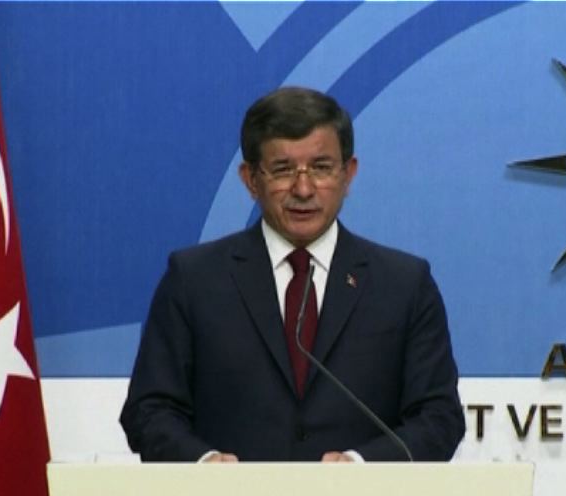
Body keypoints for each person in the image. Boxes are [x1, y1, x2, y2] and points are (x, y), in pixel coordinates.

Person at [120, 86, 465, 462]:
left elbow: (439, 418)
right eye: (283, 170)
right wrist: (205, 462)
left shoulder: (404, 284)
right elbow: (149, 410)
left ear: (348, 174)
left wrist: (361, 465)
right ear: (251, 180)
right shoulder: (194, 280)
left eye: (321, 168)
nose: (303, 189)